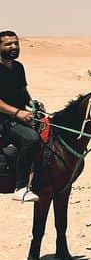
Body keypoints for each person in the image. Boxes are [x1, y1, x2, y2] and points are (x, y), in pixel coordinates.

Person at [0, 31, 40, 202]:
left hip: (19, 116)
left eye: (16, 43)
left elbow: (23, 91)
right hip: (4, 120)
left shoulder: (18, 67)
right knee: (31, 138)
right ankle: (21, 187)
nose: (14, 47)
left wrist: (32, 104)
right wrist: (17, 113)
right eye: (8, 44)